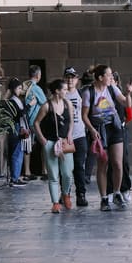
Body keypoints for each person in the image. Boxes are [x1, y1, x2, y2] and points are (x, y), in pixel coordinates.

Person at [81, 64, 132, 212]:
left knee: (117, 163)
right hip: (98, 129)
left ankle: (117, 192)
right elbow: (84, 115)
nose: (111, 77)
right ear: (100, 77)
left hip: (114, 127)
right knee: (103, 163)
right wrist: (91, 130)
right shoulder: (88, 92)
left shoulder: (112, 88)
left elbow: (125, 103)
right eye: (109, 75)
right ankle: (104, 198)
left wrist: (128, 93)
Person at [33, 78, 75, 213]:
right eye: (64, 89)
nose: (66, 91)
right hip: (50, 143)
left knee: (67, 174)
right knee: (53, 175)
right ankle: (55, 203)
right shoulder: (46, 106)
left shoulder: (68, 104)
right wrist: (42, 139)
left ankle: (66, 194)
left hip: (64, 143)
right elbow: (36, 123)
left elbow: (71, 121)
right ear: (57, 91)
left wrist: (69, 134)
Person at [106, 71, 132, 200]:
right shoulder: (103, 95)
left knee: (124, 161)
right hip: (107, 129)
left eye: (113, 79)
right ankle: (110, 190)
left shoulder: (120, 96)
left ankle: (125, 188)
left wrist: (120, 123)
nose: (110, 81)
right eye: (109, 78)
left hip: (120, 129)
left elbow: (129, 114)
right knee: (110, 162)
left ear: (116, 82)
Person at [63, 67, 89, 207]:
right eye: (67, 77)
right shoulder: (61, 95)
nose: (70, 80)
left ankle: (81, 194)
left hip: (79, 135)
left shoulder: (81, 94)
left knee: (79, 166)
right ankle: (64, 193)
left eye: (72, 77)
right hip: (65, 137)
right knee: (66, 168)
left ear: (77, 80)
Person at [1, 78, 29, 187]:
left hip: (16, 127)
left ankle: (15, 176)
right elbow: (19, 114)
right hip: (16, 128)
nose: (20, 90)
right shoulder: (12, 101)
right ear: (14, 89)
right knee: (16, 153)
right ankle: (14, 178)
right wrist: (29, 105)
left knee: (18, 152)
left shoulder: (15, 100)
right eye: (19, 88)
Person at [23, 65, 47, 179]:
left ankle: (27, 171)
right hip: (35, 121)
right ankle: (44, 170)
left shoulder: (25, 86)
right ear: (38, 75)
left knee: (28, 146)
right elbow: (45, 103)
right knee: (44, 144)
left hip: (26, 121)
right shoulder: (36, 88)